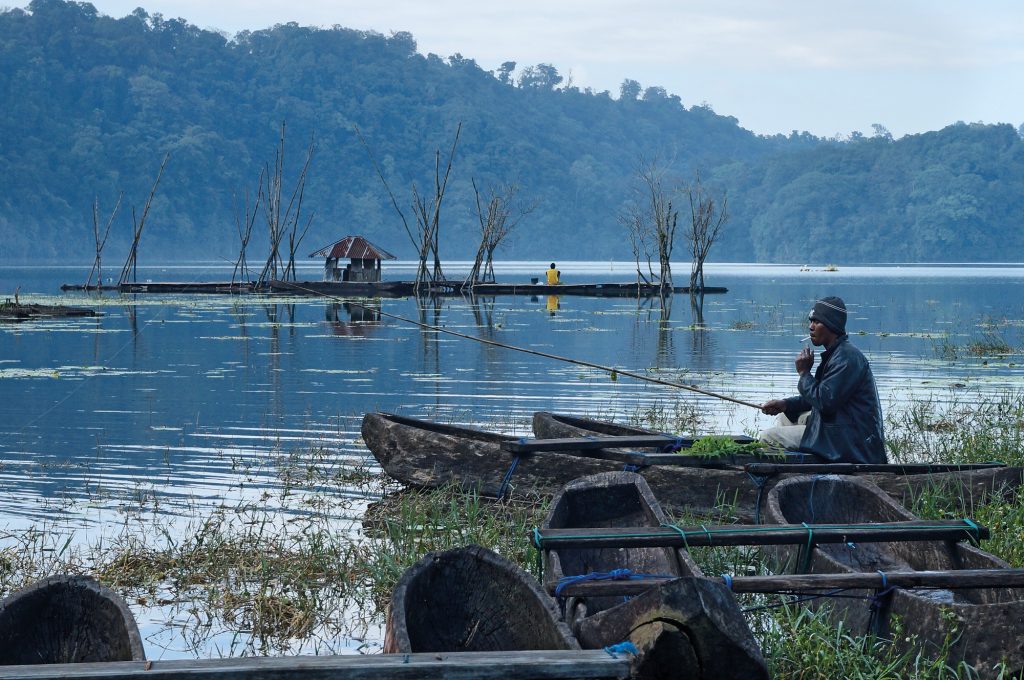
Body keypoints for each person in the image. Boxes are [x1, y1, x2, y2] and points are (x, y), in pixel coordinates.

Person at [759, 296, 886, 463]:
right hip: (839, 430)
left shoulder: (846, 358)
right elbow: (819, 396)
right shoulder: (836, 354)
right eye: (811, 321)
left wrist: (804, 373)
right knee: (785, 417)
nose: (811, 327)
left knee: (768, 437)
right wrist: (785, 404)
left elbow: (825, 402)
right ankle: (802, 465)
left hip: (849, 442)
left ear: (832, 325)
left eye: (817, 322)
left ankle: (803, 470)